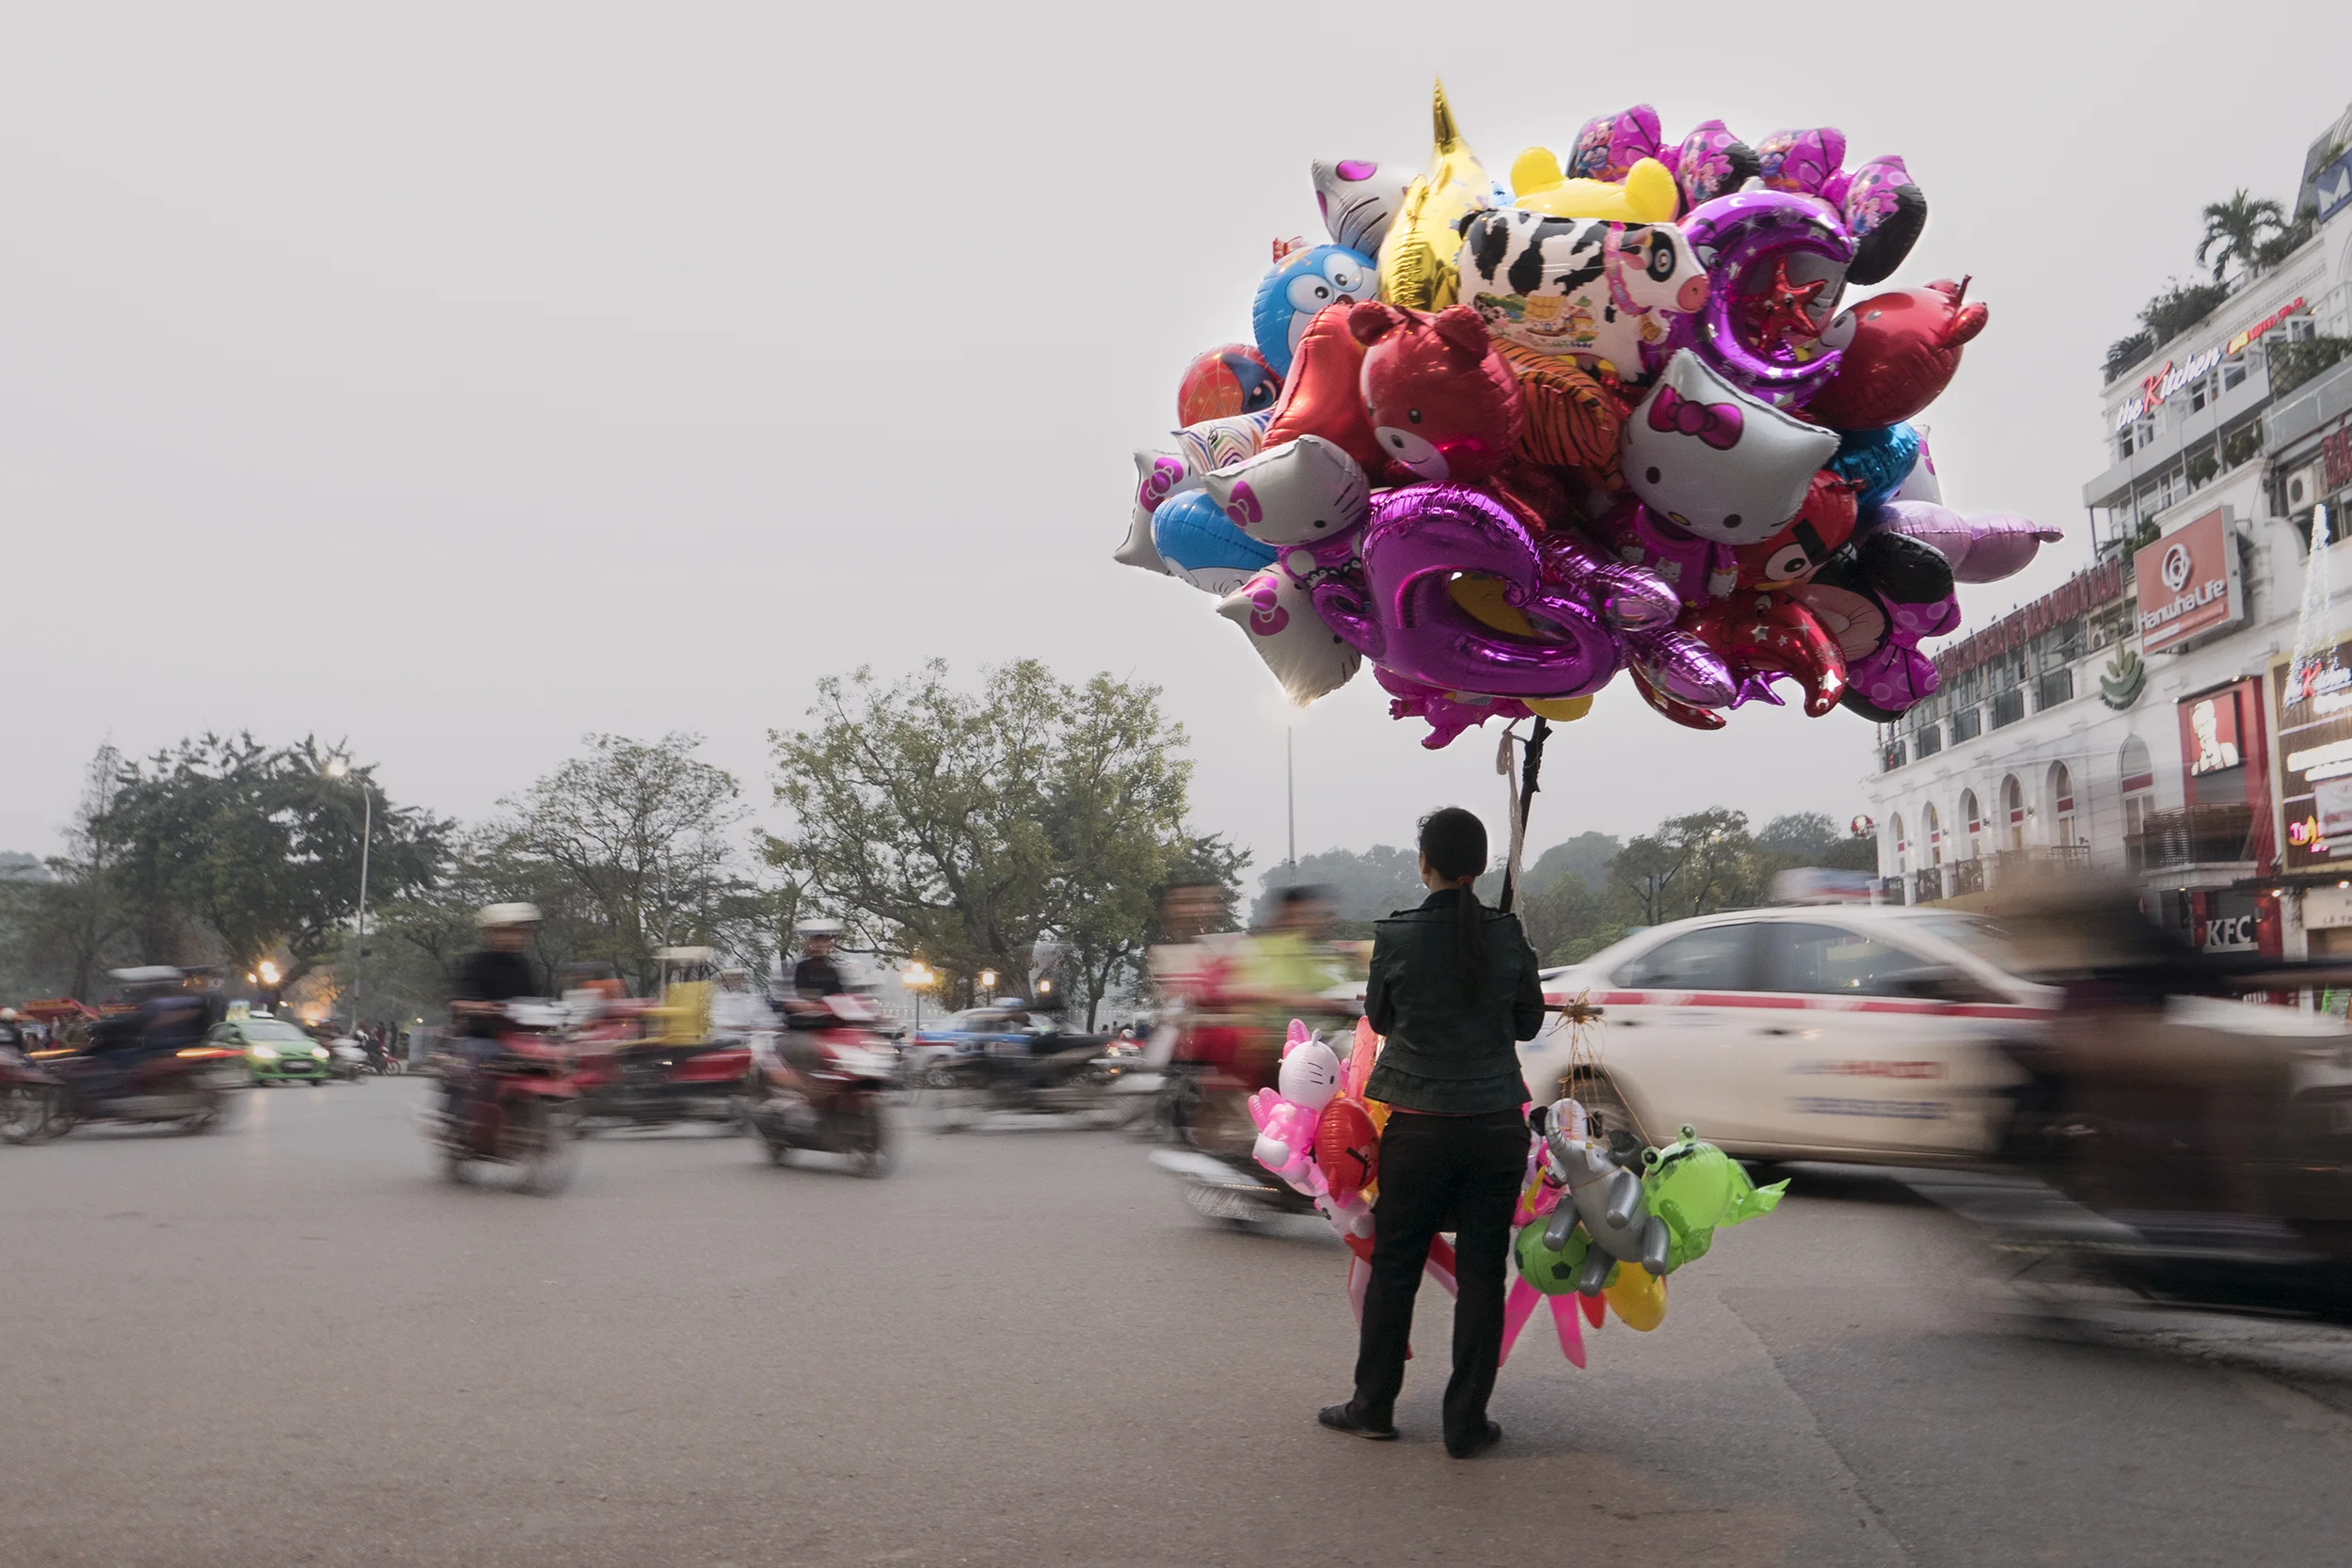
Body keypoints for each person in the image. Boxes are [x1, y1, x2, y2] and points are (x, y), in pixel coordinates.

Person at [1319, 807, 1544, 1460]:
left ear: (1427, 864)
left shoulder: (1397, 935)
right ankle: (1465, 1424)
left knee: (1395, 1267)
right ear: (1477, 866)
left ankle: (1373, 1406)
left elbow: (1380, 1016)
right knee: (1481, 1276)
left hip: (1419, 1127)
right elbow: (1528, 1023)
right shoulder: (1506, 933)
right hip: (1495, 1125)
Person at [446, 903, 544, 1116]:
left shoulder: (523, 966)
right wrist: (485, 1008)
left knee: (548, 1066)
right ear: (492, 934)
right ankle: (458, 1119)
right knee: (476, 1072)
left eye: (520, 931)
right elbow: (458, 1003)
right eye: (508, 931)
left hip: (519, 1042)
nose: (515, 937)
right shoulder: (477, 963)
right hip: (482, 1040)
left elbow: (534, 1002)